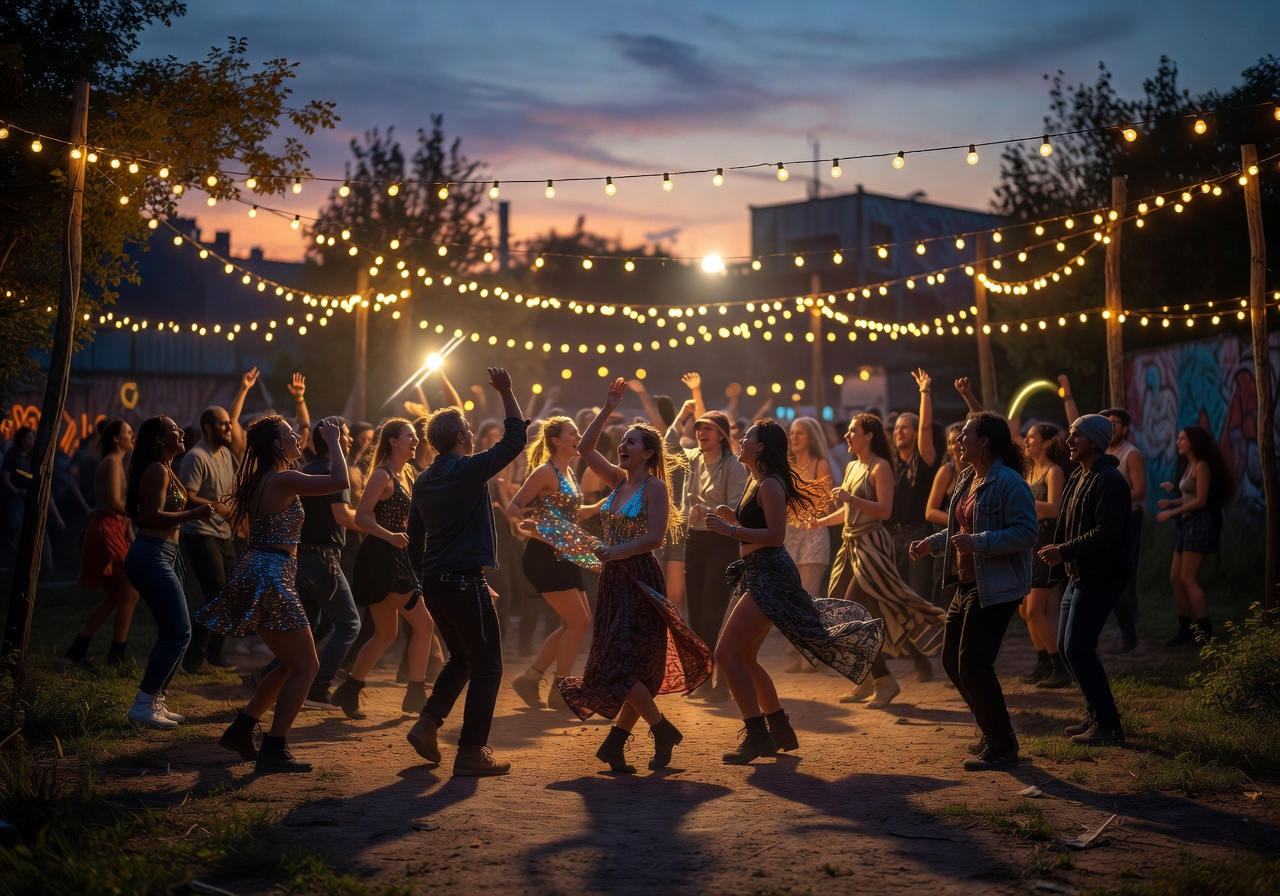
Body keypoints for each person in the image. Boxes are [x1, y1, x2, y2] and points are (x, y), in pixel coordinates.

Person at [558, 378, 712, 774]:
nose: (623, 447)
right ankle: (618, 743)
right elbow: (585, 448)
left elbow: (656, 537)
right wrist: (608, 407)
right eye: (622, 442)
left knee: (626, 665)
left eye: (631, 443)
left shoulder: (655, 486)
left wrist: (616, 551)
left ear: (647, 454)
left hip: (639, 579)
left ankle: (660, 730)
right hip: (613, 581)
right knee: (624, 664)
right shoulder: (617, 480)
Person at [709, 420, 884, 764]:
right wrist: (725, 516)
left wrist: (729, 528)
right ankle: (780, 730)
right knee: (744, 657)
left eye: (747, 437)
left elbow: (775, 535)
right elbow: (754, 524)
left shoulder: (771, 484)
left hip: (770, 574)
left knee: (727, 655)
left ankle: (758, 736)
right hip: (758, 572)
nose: (741, 440)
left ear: (759, 447)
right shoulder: (756, 480)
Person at [198, 416, 348, 773]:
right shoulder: (283, 479)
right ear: (278, 445)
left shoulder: (259, 478)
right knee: (307, 666)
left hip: (260, 568)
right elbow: (340, 481)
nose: (298, 436)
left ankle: (242, 728)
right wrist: (335, 441)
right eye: (290, 434)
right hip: (271, 573)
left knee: (288, 664)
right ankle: (274, 749)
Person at [404, 368, 529, 777]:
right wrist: (507, 392)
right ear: (460, 438)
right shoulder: (467, 469)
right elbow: (515, 439)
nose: (473, 436)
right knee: (489, 667)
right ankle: (471, 752)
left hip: (437, 582)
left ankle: (426, 724)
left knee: (460, 659)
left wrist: (420, 581)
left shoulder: (423, 480)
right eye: (470, 431)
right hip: (463, 580)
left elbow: (414, 536)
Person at [910, 412, 1038, 771]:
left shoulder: (1009, 483)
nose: (958, 440)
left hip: (996, 587)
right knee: (952, 661)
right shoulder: (967, 478)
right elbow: (959, 530)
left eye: (965, 433)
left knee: (974, 664)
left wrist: (979, 542)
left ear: (984, 441)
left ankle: (1002, 746)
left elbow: (1028, 533)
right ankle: (990, 728)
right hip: (967, 584)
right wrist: (931, 544)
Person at [813, 414, 945, 708]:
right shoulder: (851, 466)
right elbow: (848, 512)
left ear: (869, 435)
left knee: (853, 610)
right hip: (850, 546)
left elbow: (884, 511)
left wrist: (851, 499)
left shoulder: (880, 467)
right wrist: (821, 522)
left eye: (852, 431)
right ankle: (869, 680)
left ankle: (885, 681)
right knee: (850, 610)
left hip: (871, 546)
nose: (847, 436)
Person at [1037, 415, 1131, 747]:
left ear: (1093, 441)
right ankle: (1095, 714)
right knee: (1066, 647)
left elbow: (1108, 533)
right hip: (1078, 574)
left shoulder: (1108, 480)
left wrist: (1064, 550)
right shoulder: (1080, 475)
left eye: (1076, 436)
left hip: (1101, 575)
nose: (1069, 441)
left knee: (1079, 647)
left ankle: (1109, 723)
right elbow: (1067, 522)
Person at [332, 418, 434, 718]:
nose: (416, 440)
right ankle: (416, 693)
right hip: (381, 558)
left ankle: (348, 691)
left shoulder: (408, 475)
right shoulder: (382, 474)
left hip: (394, 557)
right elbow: (361, 517)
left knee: (386, 633)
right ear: (393, 441)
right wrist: (389, 535)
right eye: (410, 436)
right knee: (424, 624)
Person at [122, 416, 215, 728]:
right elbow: (151, 516)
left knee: (174, 632)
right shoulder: (158, 470)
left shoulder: (166, 469)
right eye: (175, 429)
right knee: (179, 632)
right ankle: (144, 703)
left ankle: (154, 701)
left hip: (164, 554)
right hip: (151, 554)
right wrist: (196, 513)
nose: (182, 432)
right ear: (160, 439)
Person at [506, 416, 598, 711]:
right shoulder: (546, 471)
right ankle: (561, 689)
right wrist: (523, 526)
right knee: (579, 622)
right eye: (573, 433)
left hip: (565, 554)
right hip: (543, 556)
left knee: (576, 623)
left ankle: (531, 679)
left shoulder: (568, 472)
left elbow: (572, 514)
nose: (578, 437)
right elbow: (513, 506)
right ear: (556, 440)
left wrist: (603, 505)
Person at [178, 366, 263, 672]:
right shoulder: (196, 457)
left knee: (229, 595)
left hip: (222, 534)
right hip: (200, 533)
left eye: (229, 424)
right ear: (206, 428)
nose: (229, 428)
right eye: (222, 425)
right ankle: (194, 658)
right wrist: (219, 507)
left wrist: (243, 389)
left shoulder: (225, 453)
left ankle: (214, 653)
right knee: (216, 594)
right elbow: (186, 496)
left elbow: (234, 419)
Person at [665, 385, 748, 698]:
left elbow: (738, 508)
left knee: (714, 610)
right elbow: (667, 445)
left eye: (708, 428)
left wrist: (709, 510)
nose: (701, 433)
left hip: (721, 541)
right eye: (699, 428)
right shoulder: (693, 458)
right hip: (695, 541)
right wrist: (683, 415)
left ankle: (717, 677)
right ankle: (702, 675)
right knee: (696, 611)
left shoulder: (733, 465)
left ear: (722, 435)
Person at [1059, 377, 1148, 653]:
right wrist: (1068, 395)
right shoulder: (1088, 463)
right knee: (1070, 646)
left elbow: (1140, 491)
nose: (1111, 425)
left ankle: (1128, 633)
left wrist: (1108, 501)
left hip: (1126, 519)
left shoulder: (1128, 457)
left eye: (1115, 423)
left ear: (1124, 428)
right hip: (1088, 544)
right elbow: (1079, 425)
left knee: (1123, 585)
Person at [294, 417, 362, 710]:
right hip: (323, 557)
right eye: (345, 435)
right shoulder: (335, 470)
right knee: (349, 623)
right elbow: (343, 517)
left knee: (309, 626)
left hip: (303, 557)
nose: (350, 440)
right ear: (332, 438)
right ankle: (319, 688)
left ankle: (277, 677)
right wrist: (379, 526)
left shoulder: (307, 469)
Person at [65, 419, 140, 666]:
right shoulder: (110, 462)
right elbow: (114, 502)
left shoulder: (117, 462)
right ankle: (116, 655)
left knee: (116, 596)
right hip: (106, 529)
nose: (133, 435)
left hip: (114, 527)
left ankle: (78, 650)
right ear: (116, 439)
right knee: (129, 592)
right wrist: (140, 515)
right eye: (128, 432)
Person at [1156, 424, 1234, 646]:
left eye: (1182, 439)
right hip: (1188, 524)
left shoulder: (1201, 466)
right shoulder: (1190, 465)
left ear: (1194, 442)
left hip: (1199, 524)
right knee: (1175, 579)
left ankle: (1205, 632)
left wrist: (1171, 511)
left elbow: (1201, 500)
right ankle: (1185, 630)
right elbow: (1189, 496)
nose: (1178, 442)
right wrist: (1171, 500)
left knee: (1188, 579)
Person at [888, 370, 940, 631]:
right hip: (893, 536)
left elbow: (926, 427)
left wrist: (924, 392)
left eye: (905, 427)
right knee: (896, 596)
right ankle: (908, 646)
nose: (899, 431)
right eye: (897, 428)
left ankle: (926, 649)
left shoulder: (924, 459)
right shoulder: (891, 465)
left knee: (918, 594)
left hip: (919, 533)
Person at [1021, 424, 1072, 689]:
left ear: (1047, 442)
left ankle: (1060, 667)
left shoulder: (1054, 471)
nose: (1026, 440)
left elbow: (1054, 509)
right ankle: (1044, 664)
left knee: (1035, 610)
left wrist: (1024, 499)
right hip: (1031, 543)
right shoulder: (1030, 471)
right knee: (1024, 610)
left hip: (1047, 544)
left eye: (1031, 436)